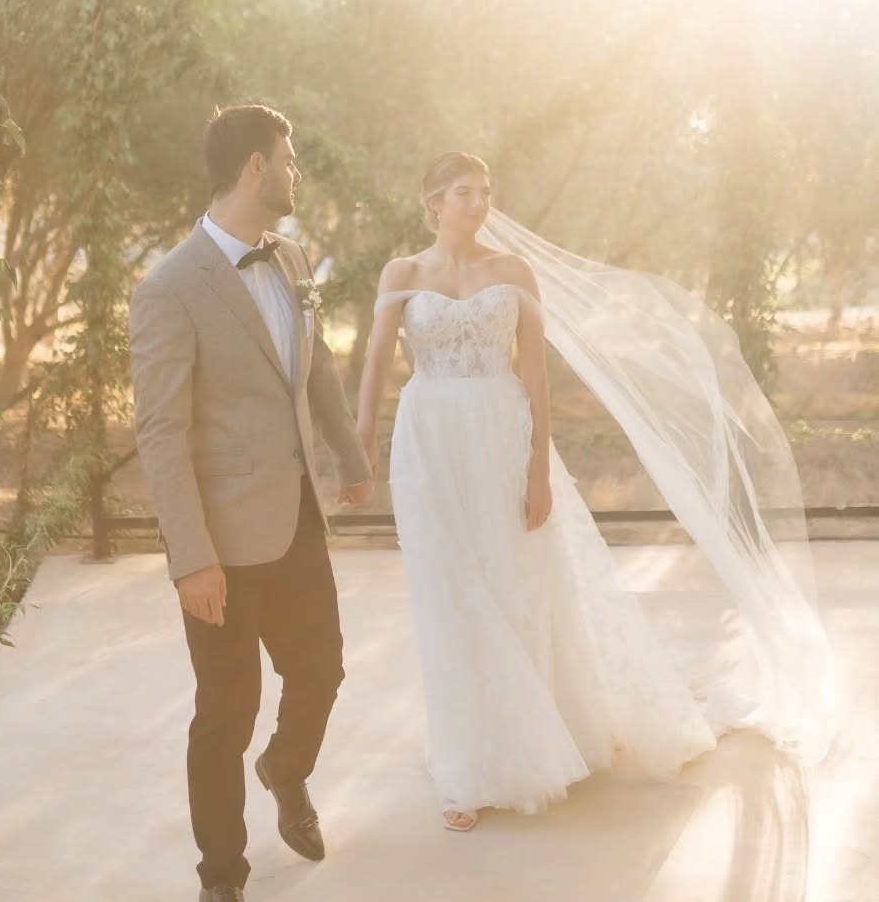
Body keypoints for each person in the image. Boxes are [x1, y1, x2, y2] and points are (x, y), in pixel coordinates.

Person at [356, 151, 833, 832]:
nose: (479, 202)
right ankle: (465, 769)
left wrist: (538, 469)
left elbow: (535, 374)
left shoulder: (513, 271)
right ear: (434, 201)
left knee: (514, 585)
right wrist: (362, 442)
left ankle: (536, 742)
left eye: (486, 190)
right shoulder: (402, 274)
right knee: (447, 594)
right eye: (465, 191)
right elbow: (376, 359)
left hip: (501, 434)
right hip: (429, 441)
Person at [129, 104, 374, 902]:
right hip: (221, 546)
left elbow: (318, 366)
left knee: (323, 670)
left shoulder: (292, 258)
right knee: (225, 714)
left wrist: (350, 455)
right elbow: (161, 433)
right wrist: (190, 557)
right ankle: (222, 879)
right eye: (289, 159)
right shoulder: (170, 288)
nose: (297, 173)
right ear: (257, 168)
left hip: (297, 516)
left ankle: (286, 767)